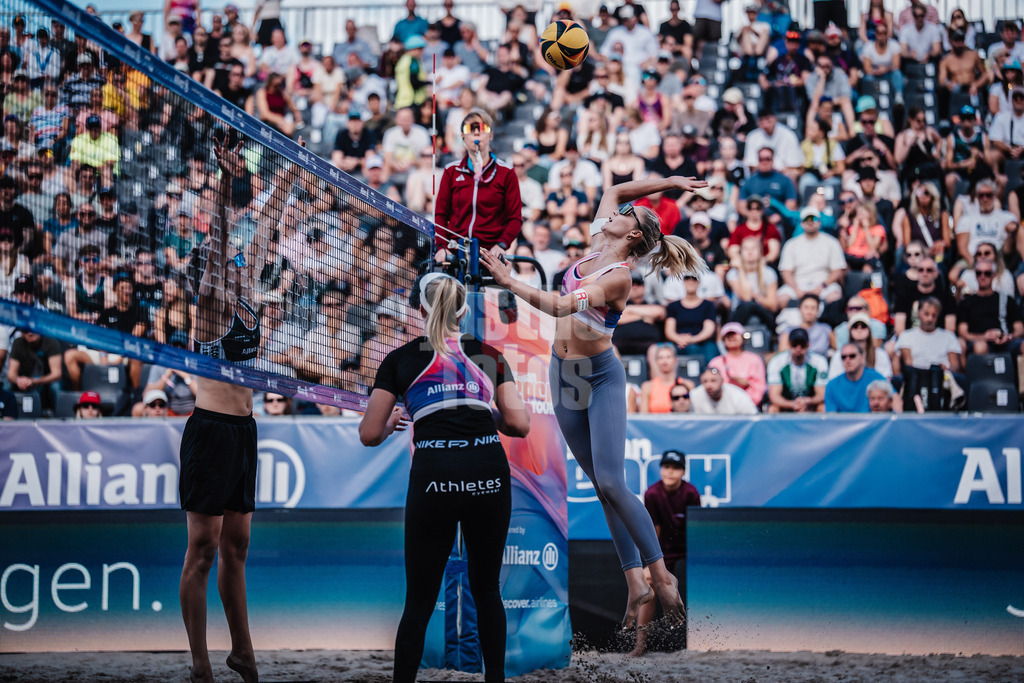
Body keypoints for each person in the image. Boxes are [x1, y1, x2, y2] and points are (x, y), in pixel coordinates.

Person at [480, 174, 707, 630]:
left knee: (611, 480)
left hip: (600, 376)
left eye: (625, 217)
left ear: (634, 235)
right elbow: (617, 191)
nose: (615, 214)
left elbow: (561, 307)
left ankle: (661, 577)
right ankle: (634, 583)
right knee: (603, 488)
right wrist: (670, 182)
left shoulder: (618, 275)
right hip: (563, 374)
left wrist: (508, 280)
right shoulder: (602, 239)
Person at [359, 273, 530, 683]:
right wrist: (481, 411)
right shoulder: (488, 353)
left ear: (419, 309)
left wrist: (394, 422)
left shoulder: (400, 358)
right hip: (488, 472)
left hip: (434, 474)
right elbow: (520, 425)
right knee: (487, 589)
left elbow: (368, 434)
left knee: (419, 599)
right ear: (464, 310)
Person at [179, 133, 301, 683]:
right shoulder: (207, 310)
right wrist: (226, 184)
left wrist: (292, 168)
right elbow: (225, 234)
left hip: (245, 430)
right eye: (215, 262)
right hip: (209, 429)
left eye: (227, 263)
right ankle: (201, 663)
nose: (226, 265)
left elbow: (268, 220)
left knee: (238, 548)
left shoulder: (247, 289)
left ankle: (244, 652)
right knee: (202, 549)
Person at [631, 449, 701, 657]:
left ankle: (708, 640)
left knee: (709, 580)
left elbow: (696, 530)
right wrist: (654, 566)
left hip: (690, 548)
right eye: (666, 467)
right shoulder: (652, 494)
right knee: (647, 583)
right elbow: (654, 533)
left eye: (676, 468)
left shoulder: (691, 493)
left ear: (683, 472)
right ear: (661, 470)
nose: (670, 472)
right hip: (665, 551)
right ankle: (640, 645)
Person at [434, 109, 522, 258]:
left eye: (482, 128)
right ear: (462, 136)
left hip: (489, 255)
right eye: (470, 129)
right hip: (454, 253)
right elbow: (440, 214)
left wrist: (501, 244)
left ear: (491, 135)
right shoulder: (451, 171)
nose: (476, 133)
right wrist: (442, 247)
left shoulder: (506, 173)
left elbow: (515, 218)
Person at [767, 327, 829, 413]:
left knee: (823, 407)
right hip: (786, 404)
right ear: (789, 345)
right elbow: (774, 396)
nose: (798, 348)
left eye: (802, 345)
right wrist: (792, 404)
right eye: (794, 344)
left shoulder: (819, 361)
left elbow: (821, 394)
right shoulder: (777, 362)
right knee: (773, 409)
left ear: (808, 345)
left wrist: (807, 401)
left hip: (809, 404)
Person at [708, 321, 767, 406]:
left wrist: (745, 384)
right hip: (722, 406)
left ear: (743, 338)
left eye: (734, 334)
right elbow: (711, 386)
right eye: (728, 335)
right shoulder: (715, 362)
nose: (731, 337)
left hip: (748, 405)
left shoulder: (755, 360)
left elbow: (759, 387)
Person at [824, 343, 885, 412]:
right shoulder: (832, 385)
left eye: (852, 356)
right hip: (843, 422)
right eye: (843, 357)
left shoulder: (876, 378)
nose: (847, 360)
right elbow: (831, 415)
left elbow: (894, 399)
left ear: (862, 358)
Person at [689, 367, 759, 415]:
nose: (709, 385)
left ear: (722, 381)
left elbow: (752, 418)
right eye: (705, 381)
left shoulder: (738, 396)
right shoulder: (694, 396)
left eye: (713, 381)